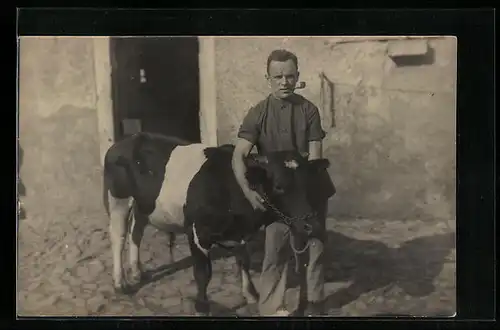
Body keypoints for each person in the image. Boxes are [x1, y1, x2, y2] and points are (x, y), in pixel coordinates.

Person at [231, 49, 329, 316]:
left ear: (297, 77)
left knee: (315, 243)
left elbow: (315, 158)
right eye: (278, 76)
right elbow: (238, 155)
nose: (284, 81)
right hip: (277, 193)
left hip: (307, 186)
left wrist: (305, 201)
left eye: (290, 76)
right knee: (275, 244)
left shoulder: (309, 110)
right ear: (268, 78)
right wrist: (248, 192)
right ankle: (272, 307)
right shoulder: (258, 113)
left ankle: (314, 302)